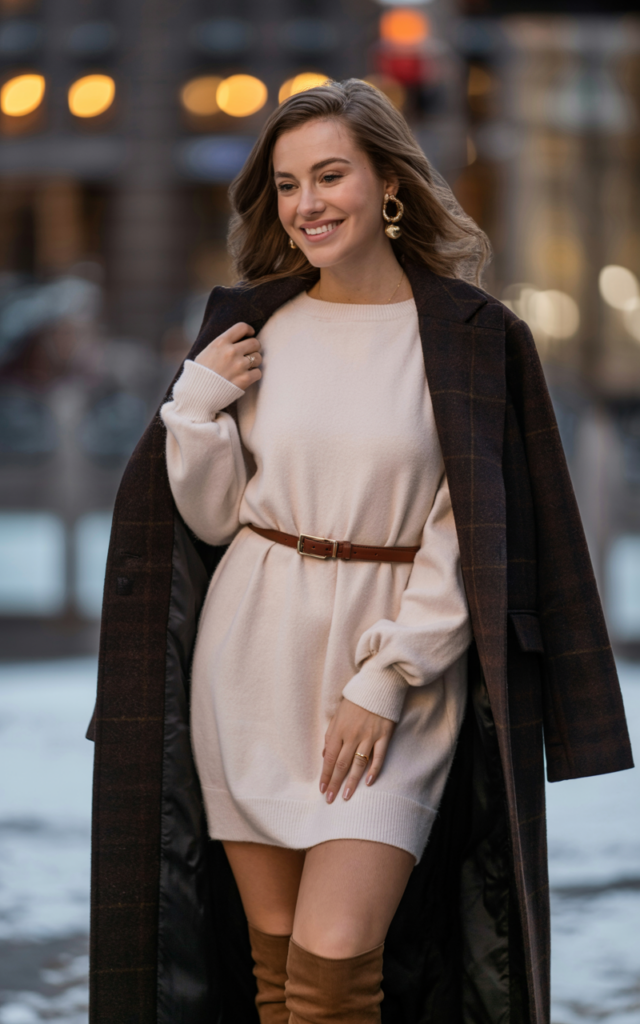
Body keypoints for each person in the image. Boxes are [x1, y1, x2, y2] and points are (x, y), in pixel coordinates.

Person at [88, 80, 633, 1024]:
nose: (307, 204)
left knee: (337, 959)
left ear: (388, 184)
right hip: (249, 661)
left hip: (397, 673)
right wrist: (193, 408)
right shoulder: (254, 327)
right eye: (289, 185)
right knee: (274, 973)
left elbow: (472, 538)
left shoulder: (471, 336)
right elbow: (218, 524)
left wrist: (385, 681)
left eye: (330, 175)